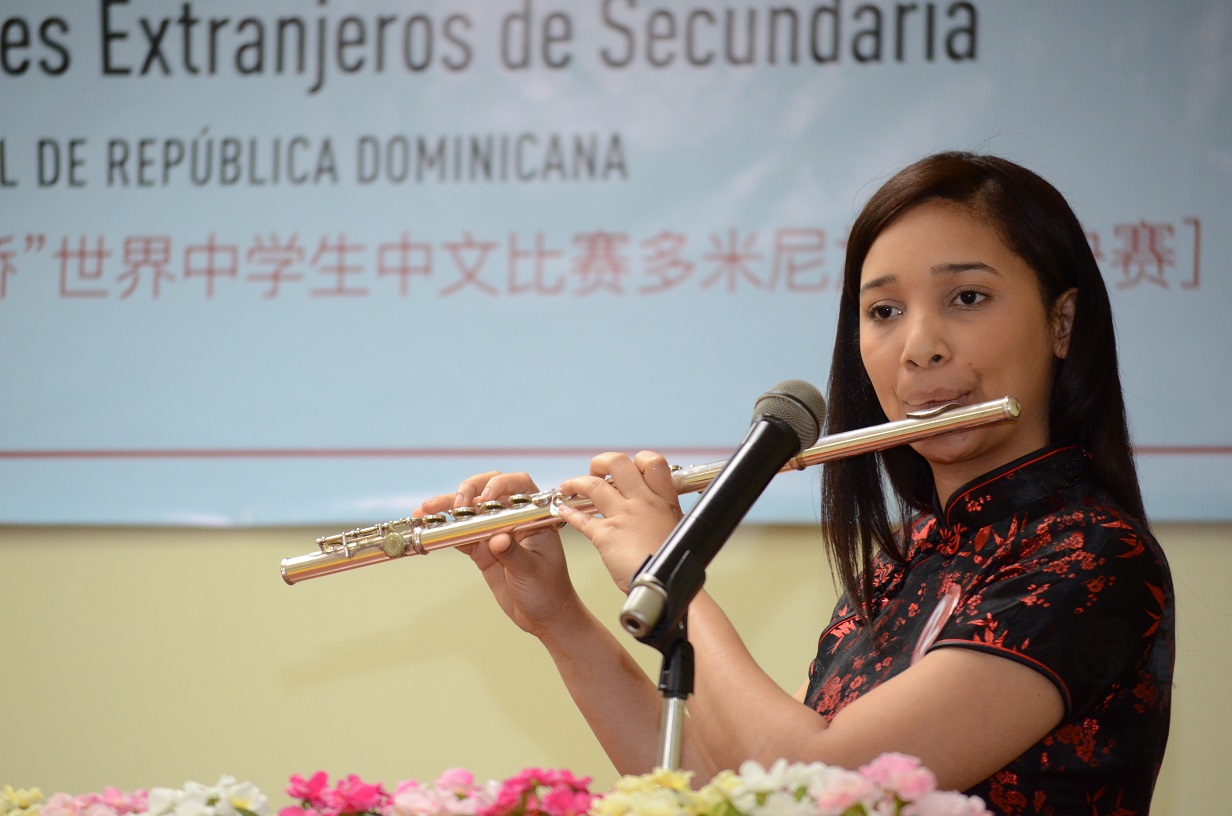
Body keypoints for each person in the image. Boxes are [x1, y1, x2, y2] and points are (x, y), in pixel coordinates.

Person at [413, 152, 1175, 815]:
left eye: (967, 298)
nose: (920, 347)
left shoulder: (1089, 558)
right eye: (883, 311)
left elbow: (817, 787)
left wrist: (666, 567)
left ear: (1062, 322)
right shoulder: (901, 564)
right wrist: (560, 620)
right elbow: (730, 792)